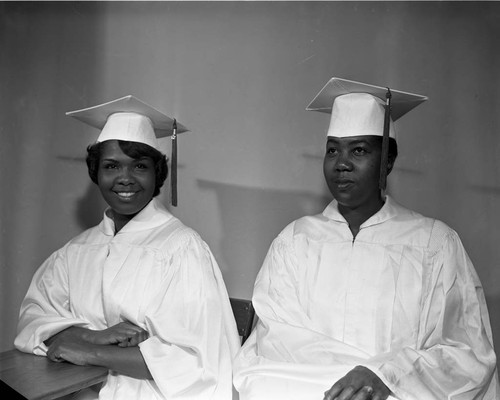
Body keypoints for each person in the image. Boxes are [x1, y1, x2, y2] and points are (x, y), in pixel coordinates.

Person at [233, 78, 499, 400]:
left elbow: (467, 354)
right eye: (333, 150)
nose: (342, 164)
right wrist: (350, 383)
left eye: (358, 150)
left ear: (387, 161)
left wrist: (386, 374)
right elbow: (273, 342)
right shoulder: (295, 242)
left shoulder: (434, 244)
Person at [15, 95, 241, 400]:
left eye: (139, 166)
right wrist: (94, 337)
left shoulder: (181, 249)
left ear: (157, 173)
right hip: (75, 389)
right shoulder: (76, 251)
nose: (124, 178)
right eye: (111, 166)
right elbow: (35, 318)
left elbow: (196, 361)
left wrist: (91, 352)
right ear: (96, 172)